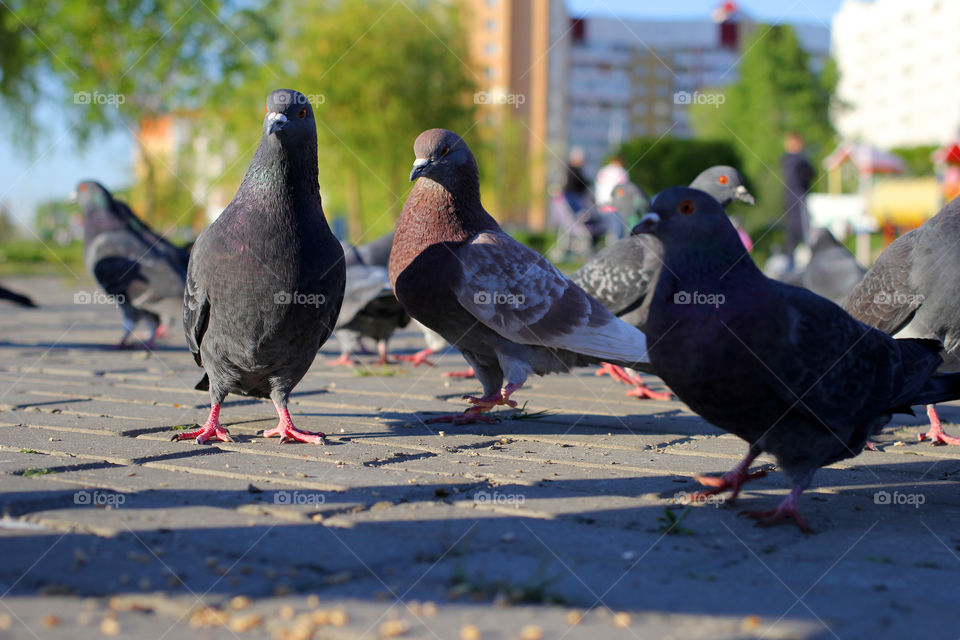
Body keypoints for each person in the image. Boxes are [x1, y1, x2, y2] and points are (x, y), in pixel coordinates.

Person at [781, 132, 815, 266]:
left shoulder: (788, 160)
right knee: (800, 232)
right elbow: (810, 173)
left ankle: (792, 262)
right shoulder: (799, 160)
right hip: (797, 198)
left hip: (791, 198)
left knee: (793, 234)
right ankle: (798, 263)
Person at [562, 146, 591, 214]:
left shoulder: (573, 169)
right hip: (573, 195)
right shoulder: (573, 170)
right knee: (581, 213)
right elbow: (579, 182)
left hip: (574, 195)